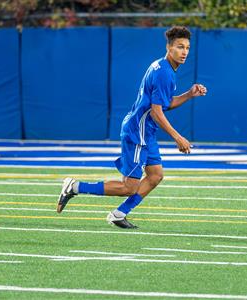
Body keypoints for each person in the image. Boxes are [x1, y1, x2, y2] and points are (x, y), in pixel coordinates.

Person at [57, 26, 207, 229]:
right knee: (129, 186)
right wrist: (177, 137)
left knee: (155, 176)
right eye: (180, 47)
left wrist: (189, 94)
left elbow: (164, 103)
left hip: (147, 131)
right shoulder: (164, 73)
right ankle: (74, 186)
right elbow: (156, 111)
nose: (185, 52)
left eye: (187, 48)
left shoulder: (163, 67)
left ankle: (119, 214)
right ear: (169, 47)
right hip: (138, 132)